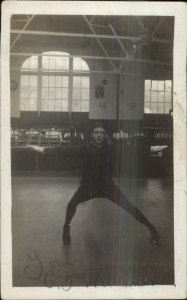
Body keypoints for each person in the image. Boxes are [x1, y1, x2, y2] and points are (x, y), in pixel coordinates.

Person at [62, 122, 160, 245]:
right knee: (71, 205)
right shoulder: (85, 148)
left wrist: (152, 148)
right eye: (96, 132)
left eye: (101, 133)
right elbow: (64, 151)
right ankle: (66, 229)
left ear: (105, 136)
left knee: (129, 207)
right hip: (88, 187)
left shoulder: (111, 149)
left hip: (107, 187)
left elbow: (131, 150)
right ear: (92, 135)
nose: (99, 135)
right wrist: (42, 149)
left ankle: (152, 228)